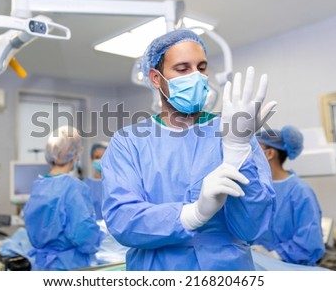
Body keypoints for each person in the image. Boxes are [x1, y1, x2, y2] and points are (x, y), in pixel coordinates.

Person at [101, 29, 277, 270]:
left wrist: (238, 149)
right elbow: (122, 221)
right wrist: (193, 214)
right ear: (156, 78)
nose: (196, 77)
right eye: (182, 69)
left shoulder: (234, 132)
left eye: (202, 68)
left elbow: (252, 228)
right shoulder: (129, 142)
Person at [23, 125, 104, 270]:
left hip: (42, 266)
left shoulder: (39, 185)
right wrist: (100, 236)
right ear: (75, 154)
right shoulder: (73, 188)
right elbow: (85, 236)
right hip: (68, 266)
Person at [251, 125, 325, 266]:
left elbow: (309, 242)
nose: (249, 156)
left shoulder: (300, 191)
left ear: (269, 154)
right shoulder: (256, 188)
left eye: (254, 149)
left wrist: (274, 254)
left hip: (293, 269)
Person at [83, 142, 108, 220]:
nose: (100, 160)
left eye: (103, 157)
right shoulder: (84, 185)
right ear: (91, 158)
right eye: (97, 157)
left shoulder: (114, 185)